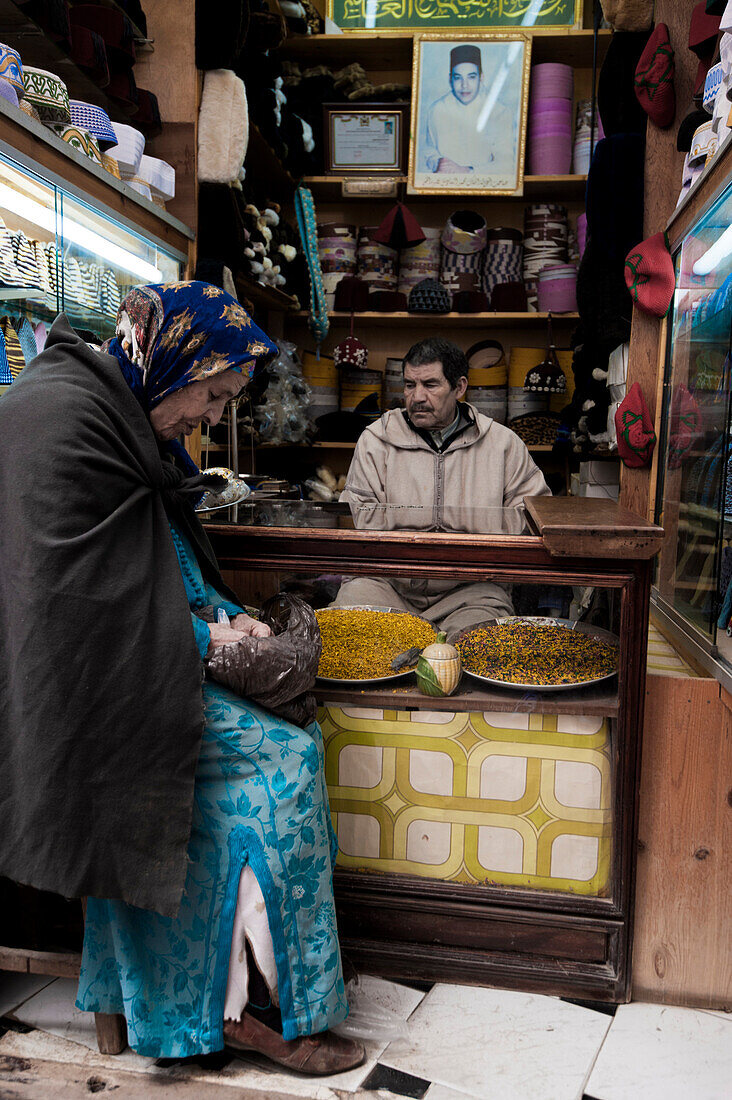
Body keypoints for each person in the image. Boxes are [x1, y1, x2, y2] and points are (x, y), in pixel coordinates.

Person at [0, 282, 364, 1075]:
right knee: (284, 763)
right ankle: (259, 1011)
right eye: (214, 394)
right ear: (177, 361)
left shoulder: (117, 407)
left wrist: (219, 619)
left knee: (295, 733)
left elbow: (139, 559)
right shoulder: (61, 414)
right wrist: (205, 635)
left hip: (135, 656)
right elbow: (73, 596)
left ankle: (234, 1000)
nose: (213, 415)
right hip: (86, 690)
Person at [335, 337, 551, 638]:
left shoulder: (502, 444)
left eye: (430, 385)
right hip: (388, 585)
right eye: (410, 385)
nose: (417, 396)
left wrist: (469, 539)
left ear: (459, 387)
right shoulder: (376, 440)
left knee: (478, 644)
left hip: (471, 590)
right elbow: (359, 514)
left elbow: (534, 514)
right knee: (348, 621)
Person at [422, 44, 517, 177]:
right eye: (458, 77)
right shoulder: (437, 109)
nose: (464, 85)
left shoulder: (500, 112)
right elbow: (429, 151)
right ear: (450, 79)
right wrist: (438, 162)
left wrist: (468, 171)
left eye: (471, 77)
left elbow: (507, 166)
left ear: (481, 77)